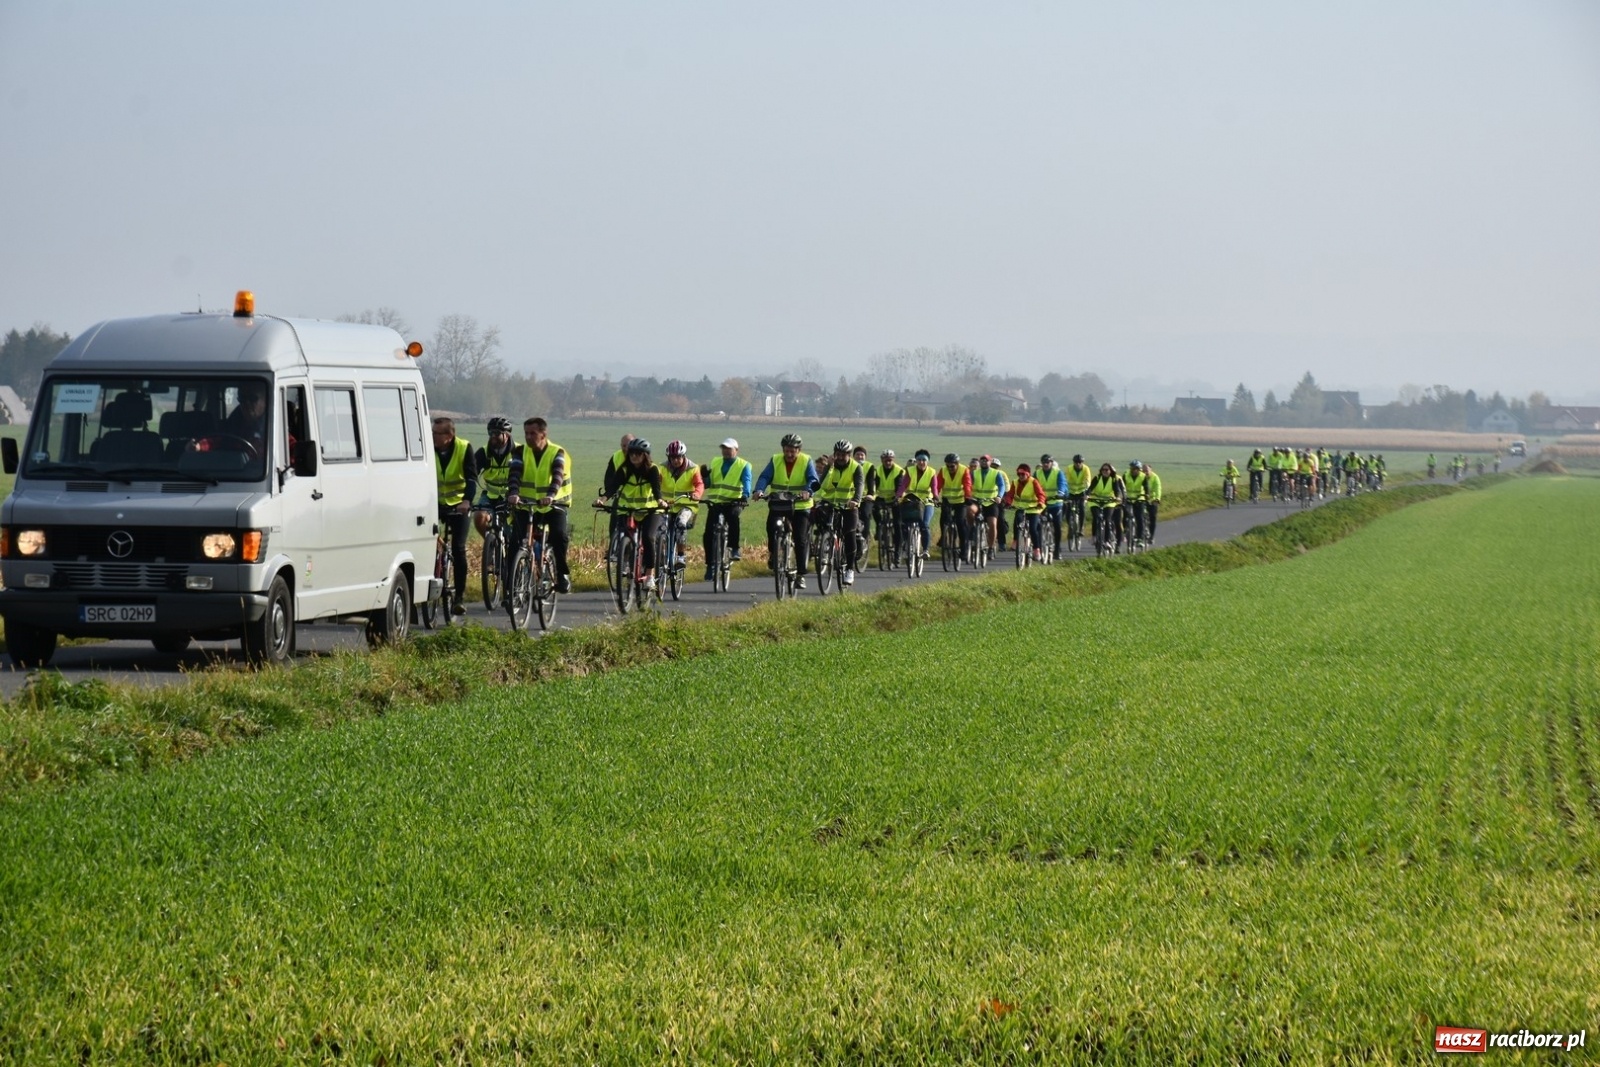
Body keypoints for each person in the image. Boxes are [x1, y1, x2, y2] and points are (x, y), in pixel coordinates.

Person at [511, 416, 574, 594]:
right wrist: (513, 493)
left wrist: (551, 495)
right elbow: (514, 474)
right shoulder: (520, 452)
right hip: (528, 505)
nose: (528, 437)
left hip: (555, 504)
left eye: (532, 433)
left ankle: (562, 574)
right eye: (526, 433)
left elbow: (558, 476)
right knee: (515, 541)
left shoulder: (557, 452)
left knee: (559, 536)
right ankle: (510, 586)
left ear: (543, 434)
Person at [598, 438, 666, 591]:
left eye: (638, 454)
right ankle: (627, 563)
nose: (634, 456)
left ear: (645, 455)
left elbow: (656, 489)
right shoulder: (624, 469)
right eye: (631, 454)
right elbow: (612, 488)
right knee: (624, 535)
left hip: (650, 510)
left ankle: (649, 575)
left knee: (648, 537)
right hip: (628, 509)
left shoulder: (652, 469)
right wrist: (602, 500)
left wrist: (660, 501)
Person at [752, 433, 818, 589]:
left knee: (800, 538)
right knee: (771, 527)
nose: (789, 454)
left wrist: (808, 490)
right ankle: (774, 554)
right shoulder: (775, 460)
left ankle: (800, 574)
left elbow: (813, 479)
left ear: (799, 450)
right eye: (786, 450)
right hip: (779, 504)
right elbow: (765, 476)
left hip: (800, 506)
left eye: (792, 451)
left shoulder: (806, 461)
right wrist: (759, 490)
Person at [432, 416, 477, 613]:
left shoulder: (464, 448)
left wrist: (466, 501)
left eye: (437, 433)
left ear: (449, 436)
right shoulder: (428, 448)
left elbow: (471, 479)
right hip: (435, 504)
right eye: (432, 432)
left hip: (459, 506)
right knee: (427, 543)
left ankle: (459, 596)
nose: (432, 436)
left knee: (458, 548)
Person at [700, 437, 752, 581]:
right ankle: (710, 565)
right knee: (708, 534)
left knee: (733, 517)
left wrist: (745, 496)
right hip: (716, 502)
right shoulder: (716, 462)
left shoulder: (743, 465)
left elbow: (747, 482)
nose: (726, 451)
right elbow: (709, 484)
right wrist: (704, 477)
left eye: (729, 449)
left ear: (736, 450)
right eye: (724, 448)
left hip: (734, 502)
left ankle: (734, 548)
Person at [815, 439, 865, 584]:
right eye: (838, 454)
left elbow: (859, 485)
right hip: (831, 504)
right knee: (822, 524)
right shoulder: (830, 466)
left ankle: (849, 569)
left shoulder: (856, 468)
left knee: (849, 534)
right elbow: (822, 485)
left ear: (849, 455)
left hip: (849, 506)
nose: (841, 457)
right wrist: (829, 467)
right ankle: (826, 545)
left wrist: (856, 500)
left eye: (844, 455)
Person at [657, 439, 704, 570]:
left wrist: (697, 494)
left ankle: (681, 556)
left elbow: (699, 484)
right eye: (673, 458)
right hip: (666, 505)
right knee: (659, 529)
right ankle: (661, 556)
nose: (676, 460)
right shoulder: (662, 468)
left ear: (683, 456)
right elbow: (655, 484)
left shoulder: (693, 468)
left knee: (681, 524)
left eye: (678, 457)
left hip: (686, 505)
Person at [472, 416, 518, 536]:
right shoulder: (483, 452)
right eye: (490, 432)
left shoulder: (518, 451)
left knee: (512, 532)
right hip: (490, 495)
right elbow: (471, 474)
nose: (492, 436)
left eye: (497, 433)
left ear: (507, 435)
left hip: (512, 496)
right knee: (479, 517)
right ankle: (491, 543)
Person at [896, 449, 937, 557]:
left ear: (927, 461)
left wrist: (936, 497)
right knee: (904, 523)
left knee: (924, 524)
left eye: (924, 460)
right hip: (912, 500)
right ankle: (905, 544)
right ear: (916, 460)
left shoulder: (931, 472)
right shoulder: (910, 471)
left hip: (927, 501)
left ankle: (925, 550)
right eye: (919, 460)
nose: (921, 462)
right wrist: (898, 495)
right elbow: (903, 485)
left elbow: (934, 487)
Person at [933, 452, 973, 562]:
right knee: (943, 520)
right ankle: (944, 537)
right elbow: (938, 484)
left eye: (952, 466)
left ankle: (964, 550)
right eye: (948, 466)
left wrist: (968, 496)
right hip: (947, 500)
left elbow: (967, 484)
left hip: (960, 501)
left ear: (957, 464)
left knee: (960, 523)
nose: (950, 468)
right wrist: (935, 496)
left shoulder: (964, 470)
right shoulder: (943, 470)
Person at [867, 448, 904, 564]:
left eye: (890, 460)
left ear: (893, 460)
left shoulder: (899, 471)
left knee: (897, 524)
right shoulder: (877, 470)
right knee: (874, 509)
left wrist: (897, 497)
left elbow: (900, 485)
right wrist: (872, 495)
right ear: (882, 460)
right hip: (881, 497)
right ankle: (879, 526)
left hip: (894, 498)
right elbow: (873, 484)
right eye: (886, 460)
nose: (888, 462)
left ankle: (898, 553)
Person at [1004, 462, 1046, 560]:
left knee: (1033, 529)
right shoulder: (1015, 482)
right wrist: (1008, 502)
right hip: (1021, 508)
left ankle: (1036, 550)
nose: (1021, 476)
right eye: (1019, 474)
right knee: (1017, 523)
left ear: (1028, 474)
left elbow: (1040, 494)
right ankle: (1016, 541)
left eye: (1023, 474)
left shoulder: (1034, 482)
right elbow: (1010, 494)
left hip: (1033, 509)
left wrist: (1040, 502)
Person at [219, 380, 269, 451]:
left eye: (252, 398)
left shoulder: (275, 426)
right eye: (242, 398)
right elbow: (221, 443)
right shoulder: (232, 423)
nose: (247, 403)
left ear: (266, 400)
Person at [1085, 462, 1123, 552]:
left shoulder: (1113, 479)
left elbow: (1117, 490)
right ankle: (1094, 537)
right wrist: (1087, 495)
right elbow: (1090, 488)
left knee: (1107, 519)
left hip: (1109, 501)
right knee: (1096, 517)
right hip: (1096, 500)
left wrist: (1117, 497)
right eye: (1103, 470)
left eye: (1107, 470)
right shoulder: (1097, 478)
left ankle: (1107, 541)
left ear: (1110, 471)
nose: (1105, 471)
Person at [971, 454, 1003, 559]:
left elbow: (1001, 485)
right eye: (982, 460)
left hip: (991, 502)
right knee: (969, 512)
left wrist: (999, 496)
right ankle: (971, 538)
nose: (984, 462)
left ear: (990, 462)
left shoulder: (996, 473)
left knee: (992, 524)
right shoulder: (974, 473)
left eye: (986, 460)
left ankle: (991, 547)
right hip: (977, 501)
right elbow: (968, 484)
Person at [1064, 453, 1091, 552]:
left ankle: (1081, 528)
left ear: (1082, 462)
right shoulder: (1069, 468)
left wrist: (1086, 493)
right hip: (1070, 492)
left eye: (1080, 462)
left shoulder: (1086, 469)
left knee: (1082, 508)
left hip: (1081, 493)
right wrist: (1065, 493)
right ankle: (1070, 527)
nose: (1078, 464)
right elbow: (1066, 480)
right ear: (1073, 462)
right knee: (1067, 509)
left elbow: (1088, 481)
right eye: (1076, 462)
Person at [1141, 461, 1162, 542]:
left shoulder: (1155, 477)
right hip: (1142, 499)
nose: (1145, 473)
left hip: (1152, 499)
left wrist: (1157, 499)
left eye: (1146, 471)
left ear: (1151, 470)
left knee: (1153, 517)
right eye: (1143, 471)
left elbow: (1158, 489)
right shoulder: (1140, 477)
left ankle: (1151, 536)